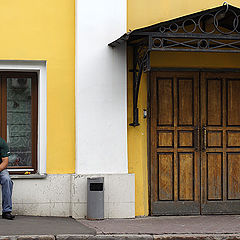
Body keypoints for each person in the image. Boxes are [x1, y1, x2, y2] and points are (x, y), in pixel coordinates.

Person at [0, 137, 14, 220]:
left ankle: (6, 211)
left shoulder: (1, 142)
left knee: (7, 180)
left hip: (1, 168)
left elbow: (5, 161)